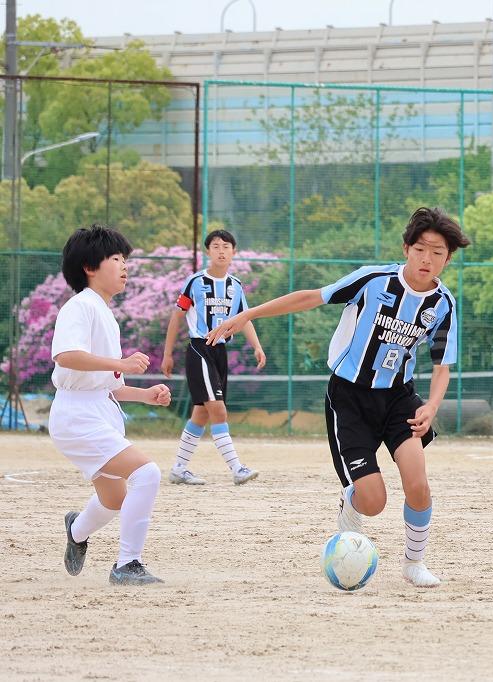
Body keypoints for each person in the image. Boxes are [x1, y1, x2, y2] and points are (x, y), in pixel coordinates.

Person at [206, 207, 470, 588]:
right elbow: (310, 298)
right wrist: (248, 316)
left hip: (399, 398)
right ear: (406, 249)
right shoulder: (373, 280)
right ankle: (351, 499)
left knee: (418, 484)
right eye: (420, 249)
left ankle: (414, 563)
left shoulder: (443, 304)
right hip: (349, 398)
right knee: (374, 502)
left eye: (438, 252)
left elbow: (443, 364)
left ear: (448, 258)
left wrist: (431, 406)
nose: (427, 259)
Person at [52, 224, 171, 585]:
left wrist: (145, 395)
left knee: (114, 497)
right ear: (89, 267)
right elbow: (66, 356)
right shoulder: (80, 306)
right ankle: (127, 565)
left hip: (99, 411)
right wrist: (120, 363)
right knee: (147, 473)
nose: (124, 266)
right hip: (76, 416)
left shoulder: (104, 312)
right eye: (116, 258)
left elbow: (109, 387)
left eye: (124, 259)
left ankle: (77, 529)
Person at [161, 229, 264, 486]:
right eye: (216, 246)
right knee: (218, 410)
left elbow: (245, 318)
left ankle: (179, 469)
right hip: (200, 349)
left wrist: (257, 346)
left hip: (219, 352)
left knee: (201, 414)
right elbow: (177, 316)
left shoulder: (236, 286)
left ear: (234, 252)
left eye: (226, 246)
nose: (221, 250)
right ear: (208, 251)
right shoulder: (195, 281)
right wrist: (167, 354)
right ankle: (237, 468)